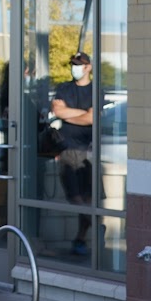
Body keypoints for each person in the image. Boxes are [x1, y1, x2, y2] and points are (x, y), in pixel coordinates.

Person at [50, 49, 95, 257]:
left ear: (89, 67)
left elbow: (92, 119)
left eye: (80, 64)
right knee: (75, 198)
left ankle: (81, 237)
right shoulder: (64, 88)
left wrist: (73, 115)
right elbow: (58, 111)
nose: (75, 68)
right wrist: (82, 114)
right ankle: (92, 224)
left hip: (88, 152)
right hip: (67, 150)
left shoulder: (96, 90)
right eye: (74, 64)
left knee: (87, 198)